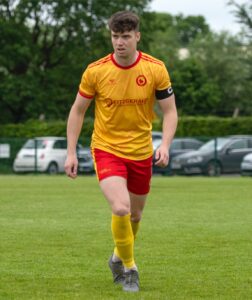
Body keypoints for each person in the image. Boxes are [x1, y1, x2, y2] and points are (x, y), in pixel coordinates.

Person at [64, 10, 178, 293]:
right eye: (115, 36)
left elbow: (170, 111)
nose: (120, 42)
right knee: (121, 207)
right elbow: (77, 111)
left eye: (126, 36)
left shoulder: (155, 69)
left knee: (135, 217)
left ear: (137, 36)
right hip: (107, 148)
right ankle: (130, 269)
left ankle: (117, 257)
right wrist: (70, 152)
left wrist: (164, 144)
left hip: (141, 151)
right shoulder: (96, 71)